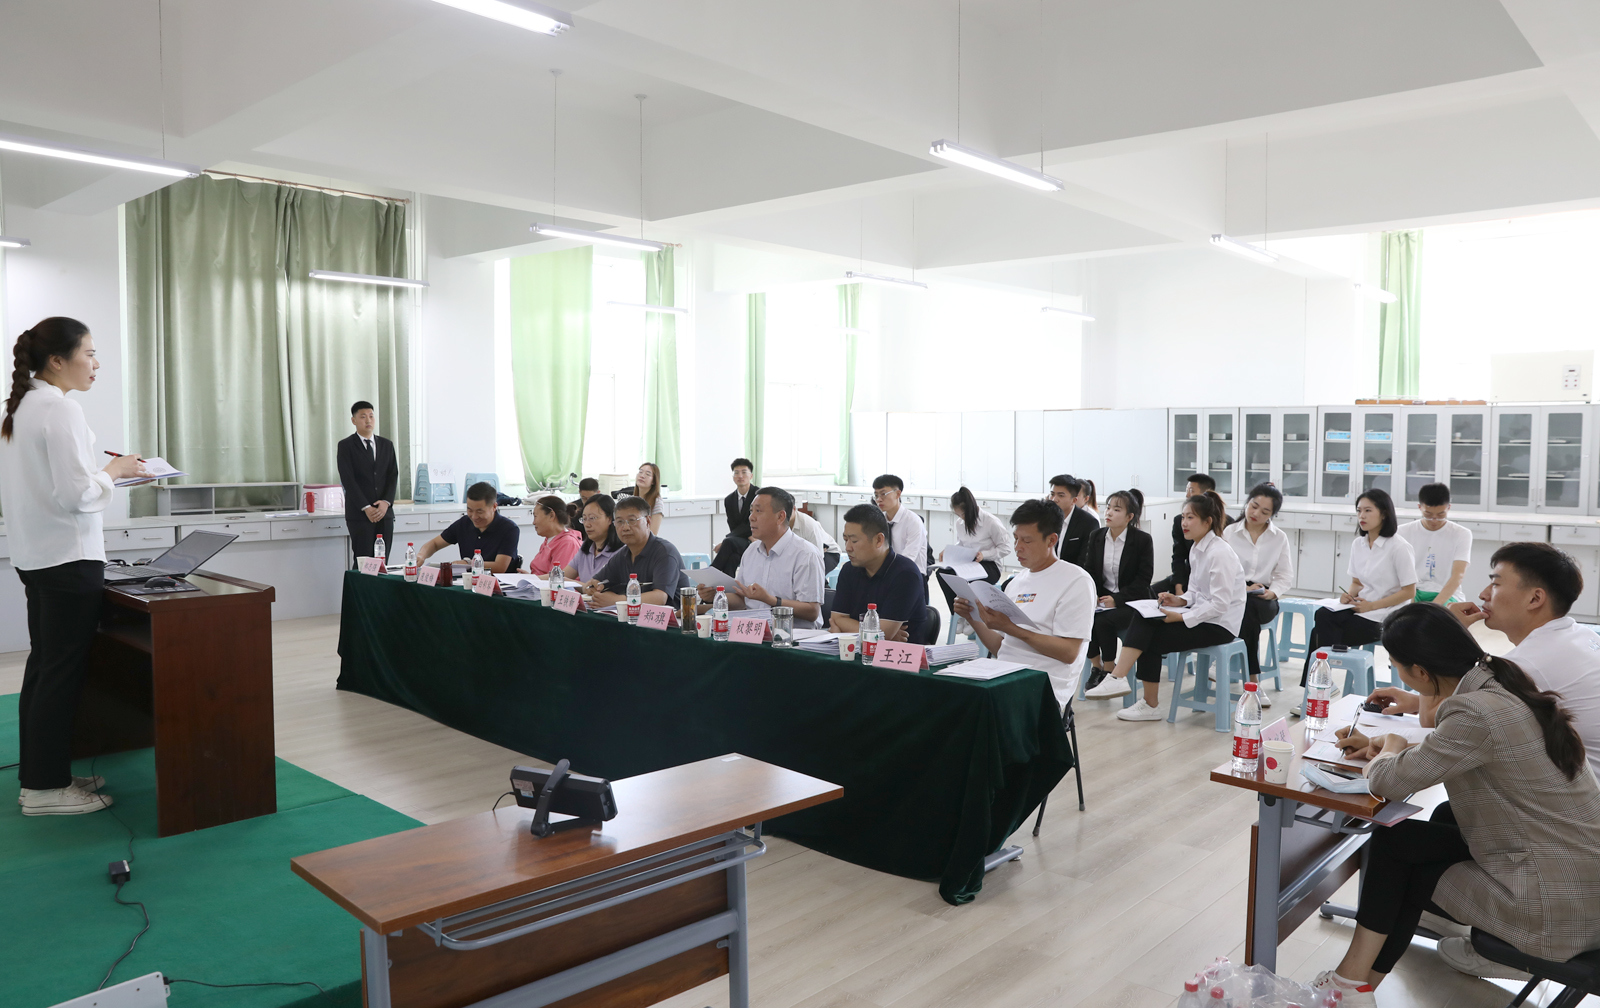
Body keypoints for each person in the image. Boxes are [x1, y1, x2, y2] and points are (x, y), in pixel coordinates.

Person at [1311, 604, 1600, 1007]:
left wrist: (1390, 747)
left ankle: (1349, 984)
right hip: (1580, 883)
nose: (1395, 672)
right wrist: (1392, 748)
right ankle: (1356, 987)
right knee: (1423, 831)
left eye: (1396, 665)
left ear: (1420, 672)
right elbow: (1452, 746)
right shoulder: (1502, 684)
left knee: (1395, 850)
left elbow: (1388, 781)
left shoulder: (1474, 711)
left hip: (1551, 911)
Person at [0, 317, 149, 815]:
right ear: (57, 360)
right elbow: (77, 495)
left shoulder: (22, 407)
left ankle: (43, 775)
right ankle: (45, 790)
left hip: (37, 557)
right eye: (89, 352)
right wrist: (114, 471)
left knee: (45, 668)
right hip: (68, 558)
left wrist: (103, 476)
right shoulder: (60, 409)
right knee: (60, 674)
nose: (96, 363)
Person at [1370, 542, 1600, 783]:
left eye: (1496, 584)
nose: (1483, 594)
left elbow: (1431, 722)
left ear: (1534, 598)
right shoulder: (1583, 636)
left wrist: (1445, 633)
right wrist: (1417, 701)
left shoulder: (1524, 666)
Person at [1084, 492, 1243, 721]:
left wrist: (1181, 617)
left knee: (1149, 638)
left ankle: (1130, 688)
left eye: (1190, 518)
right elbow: (1196, 592)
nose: (1184, 523)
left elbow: (1220, 604)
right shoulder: (1197, 548)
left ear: (1207, 521)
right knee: (1145, 619)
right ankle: (1128, 687)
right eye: (1183, 517)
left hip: (1220, 625)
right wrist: (1180, 600)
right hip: (1201, 617)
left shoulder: (1219, 552)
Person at [956, 499, 1096, 707]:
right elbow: (1002, 648)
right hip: (1005, 675)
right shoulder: (1016, 582)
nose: (1017, 548)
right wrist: (973, 617)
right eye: (1015, 539)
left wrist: (1010, 628)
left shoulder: (1076, 581)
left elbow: (1069, 653)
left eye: (1027, 541)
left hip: (1043, 686)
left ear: (1051, 540)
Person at [1303, 488, 1415, 682]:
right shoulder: (1359, 544)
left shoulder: (1399, 547)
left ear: (1384, 513)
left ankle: (1318, 682)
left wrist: (1371, 606)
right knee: (1322, 615)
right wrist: (1348, 595)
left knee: (1320, 632)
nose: (1361, 516)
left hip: (1388, 613)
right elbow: (1356, 582)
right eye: (1359, 511)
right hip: (1361, 606)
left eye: (1368, 511)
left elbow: (1409, 591)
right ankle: (1322, 680)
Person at [701, 486, 826, 627]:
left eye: (758, 511)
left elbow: (812, 611)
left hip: (793, 636)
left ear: (780, 517)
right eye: (751, 511)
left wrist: (771, 600)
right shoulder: (751, 551)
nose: (751, 517)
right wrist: (716, 596)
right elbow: (742, 600)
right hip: (753, 631)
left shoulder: (806, 554)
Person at [1223, 483, 1295, 704]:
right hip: (1235, 592)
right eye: (1253, 506)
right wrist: (1242, 589)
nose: (1256, 513)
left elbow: (1285, 575)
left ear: (1272, 515)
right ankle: (1253, 682)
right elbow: (1222, 571)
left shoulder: (1278, 537)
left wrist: (1273, 593)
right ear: (1247, 502)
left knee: (1249, 608)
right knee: (1245, 609)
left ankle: (1228, 661)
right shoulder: (1229, 532)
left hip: (1264, 597)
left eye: (1265, 512)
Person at [1083, 489, 1154, 691]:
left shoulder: (1142, 540)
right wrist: (1095, 596)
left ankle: (1108, 669)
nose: (1109, 513)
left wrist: (1117, 599)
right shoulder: (1097, 536)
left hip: (1133, 601)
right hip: (1103, 599)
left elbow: (1143, 580)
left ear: (1129, 517)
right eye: (1108, 508)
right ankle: (1096, 666)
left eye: (1116, 509)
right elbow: (1090, 572)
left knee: (1102, 621)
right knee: (1083, 614)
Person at [830, 503, 926, 644]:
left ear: (879, 540)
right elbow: (836, 619)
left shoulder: (906, 574)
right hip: (856, 651)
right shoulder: (849, 570)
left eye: (854, 541)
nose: (848, 547)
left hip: (898, 655)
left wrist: (847, 629)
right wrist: (875, 634)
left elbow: (884, 635)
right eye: (845, 540)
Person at [581, 495, 693, 606]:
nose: (625, 528)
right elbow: (593, 582)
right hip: (633, 615)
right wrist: (593, 587)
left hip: (671, 616)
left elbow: (660, 597)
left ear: (648, 521)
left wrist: (618, 601)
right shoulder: (623, 554)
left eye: (632, 520)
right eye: (619, 522)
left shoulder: (665, 552)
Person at [936, 486, 1012, 629]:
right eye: (958, 515)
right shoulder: (960, 523)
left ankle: (974, 616)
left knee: (968, 579)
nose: (961, 518)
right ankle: (958, 615)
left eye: (963, 514)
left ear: (971, 509)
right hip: (969, 562)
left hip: (989, 565)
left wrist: (985, 555)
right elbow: (962, 543)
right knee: (942, 573)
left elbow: (1006, 548)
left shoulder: (991, 522)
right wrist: (949, 551)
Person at [336, 400, 399, 560]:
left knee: (383, 561)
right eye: (363, 417)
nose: (368, 420)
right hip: (360, 515)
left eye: (371, 416)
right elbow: (348, 479)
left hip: (384, 514)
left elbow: (393, 476)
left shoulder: (386, 445)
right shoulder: (346, 446)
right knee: (364, 561)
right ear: (354, 420)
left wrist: (386, 502)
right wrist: (366, 507)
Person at [416, 481, 520, 574]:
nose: (474, 517)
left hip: (498, 585)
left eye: (480, 511)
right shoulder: (464, 523)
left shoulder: (509, 529)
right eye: (470, 510)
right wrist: (421, 555)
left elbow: (500, 567)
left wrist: (468, 563)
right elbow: (435, 544)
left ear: (494, 507)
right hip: (468, 581)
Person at [1396, 482, 1471, 604]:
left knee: (1444, 614)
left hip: (1446, 593)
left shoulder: (1461, 534)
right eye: (1428, 514)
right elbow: (1399, 573)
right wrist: (1411, 604)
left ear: (1449, 508)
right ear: (1419, 507)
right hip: (1413, 591)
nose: (1434, 520)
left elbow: (1458, 575)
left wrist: (1434, 607)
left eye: (1441, 514)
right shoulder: (1403, 532)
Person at [1151, 473, 1214, 595]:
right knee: (1150, 592)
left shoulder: (1224, 524)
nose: (1187, 495)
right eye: (1186, 490)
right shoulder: (1179, 521)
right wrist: (1178, 588)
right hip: (1186, 576)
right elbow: (1178, 556)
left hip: (1209, 580)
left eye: (1191, 491)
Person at [562, 493, 623, 584]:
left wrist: (579, 586)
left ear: (610, 519)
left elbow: (598, 589)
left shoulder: (621, 553)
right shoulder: (585, 550)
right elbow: (561, 577)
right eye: (584, 519)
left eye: (592, 518)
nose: (587, 524)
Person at [872, 474, 927, 575]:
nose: (879, 499)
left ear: (897, 494)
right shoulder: (879, 520)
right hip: (887, 573)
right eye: (876, 495)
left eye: (883, 494)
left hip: (911, 574)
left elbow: (908, 558)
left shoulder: (913, 521)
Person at [711, 457, 757, 577]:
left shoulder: (759, 495)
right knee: (733, 557)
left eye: (744, 472)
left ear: (751, 476)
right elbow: (733, 526)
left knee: (728, 543)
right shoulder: (729, 500)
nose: (740, 476)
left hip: (757, 540)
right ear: (733, 477)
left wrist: (727, 539)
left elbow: (755, 523)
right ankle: (727, 586)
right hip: (741, 540)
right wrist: (735, 537)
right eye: (736, 473)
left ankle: (710, 574)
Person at [1046, 474, 1100, 566]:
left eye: (1061, 495)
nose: (1054, 499)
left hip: (1073, 573)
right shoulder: (1044, 518)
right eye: (1052, 494)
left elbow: (1085, 561)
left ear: (1074, 500)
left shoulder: (1089, 523)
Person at [523, 495, 582, 576]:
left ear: (551, 515)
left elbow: (558, 578)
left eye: (535, 516)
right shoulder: (549, 540)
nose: (534, 522)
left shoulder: (568, 543)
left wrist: (531, 579)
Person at [613, 462, 665, 535]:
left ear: (653, 481)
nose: (642, 476)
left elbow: (653, 533)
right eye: (640, 472)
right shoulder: (632, 499)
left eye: (648, 474)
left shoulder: (657, 502)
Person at [790, 505, 840, 574]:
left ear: (794, 509)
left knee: (810, 574)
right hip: (805, 554)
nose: (783, 515)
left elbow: (818, 556)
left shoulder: (808, 524)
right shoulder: (780, 521)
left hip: (828, 553)